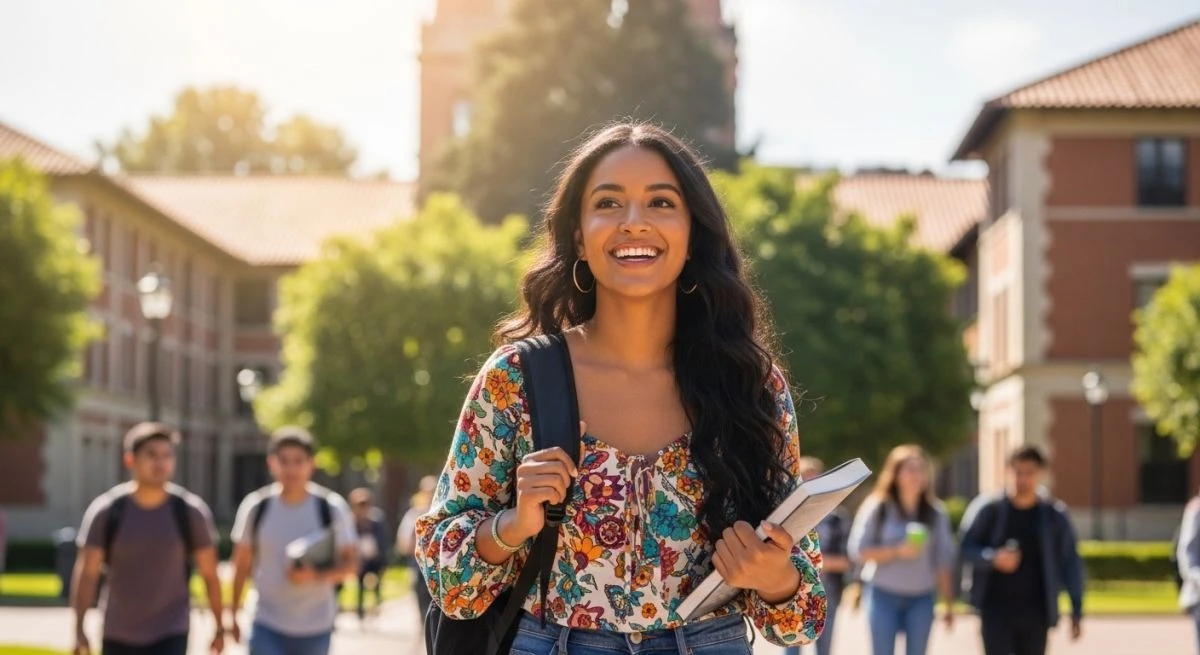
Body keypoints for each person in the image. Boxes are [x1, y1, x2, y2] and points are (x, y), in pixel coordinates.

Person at [416, 122, 827, 654]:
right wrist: (512, 526)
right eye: (608, 204)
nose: (634, 223)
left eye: (660, 203)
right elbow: (448, 583)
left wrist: (774, 577)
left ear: (692, 234)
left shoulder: (750, 385)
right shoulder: (516, 379)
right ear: (580, 237)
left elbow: (802, 619)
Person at [69, 422, 224, 655]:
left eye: (166, 455)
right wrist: (79, 630)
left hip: (171, 631)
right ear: (130, 460)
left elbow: (210, 574)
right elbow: (87, 573)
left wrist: (219, 627)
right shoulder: (107, 511)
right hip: (117, 632)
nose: (160, 463)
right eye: (151, 455)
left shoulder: (190, 512)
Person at [229, 427, 358, 655]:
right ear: (272, 463)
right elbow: (240, 565)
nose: (291, 468)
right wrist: (233, 615)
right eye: (284, 461)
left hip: (316, 625)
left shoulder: (331, 508)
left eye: (298, 461)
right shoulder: (256, 507)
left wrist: (315, 575)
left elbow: (351, 566)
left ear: (311, 464)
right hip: (265, 621)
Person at [960, 445, 1083, 655]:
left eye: (1030, 473)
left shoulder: (1054, 516)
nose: (1023, 479)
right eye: (1018, 472)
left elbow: (1070, 562)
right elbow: (965, 547)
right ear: (1008, 472)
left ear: (1040, 474)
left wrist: (1076, 609)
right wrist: (992, 558)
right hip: (995, 609)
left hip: (1036, 612)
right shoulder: (989, 510)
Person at [847, 444, 956, 655]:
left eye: (921, 469)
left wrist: (948, 603)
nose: (916, 475)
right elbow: (857, 551)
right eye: (910, 469)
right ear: (895, 474)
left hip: (922, 598)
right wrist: (897, 551)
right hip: (882, 595)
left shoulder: (936, 513)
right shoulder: (877, 507)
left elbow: (944, 560)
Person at [785, 457, 852, 655]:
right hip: (792, 591)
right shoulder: (786, 516)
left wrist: (806, 562)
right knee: (791, 647)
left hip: (828, 590)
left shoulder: (837, 518)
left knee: (825, 648)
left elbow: (847, 561)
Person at [396, 475, 436, 624]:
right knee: (422, 598)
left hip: (441, 564)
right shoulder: (414, 514)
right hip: (420, 564)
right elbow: (404, 542)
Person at [347, 487, 388, 622]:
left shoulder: (376, 519)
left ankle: (376, 606)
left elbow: (383, 539)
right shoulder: (351, 521)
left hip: (375, 558)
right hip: (360, 558)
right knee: (360, 586)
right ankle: (360, 612)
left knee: (376, 584)